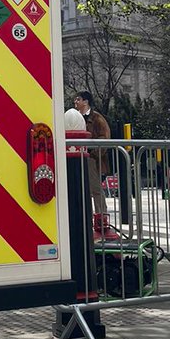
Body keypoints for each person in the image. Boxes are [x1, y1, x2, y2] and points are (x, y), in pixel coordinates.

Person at [74, 91, 118, 240]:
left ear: (86, 102)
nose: (75, 102)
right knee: (84, 190)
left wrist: (91, 153)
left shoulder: (97, 118)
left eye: (78, 99)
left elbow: (104, 138)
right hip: (79, 158)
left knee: (95, 190)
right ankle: (87, 220)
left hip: (92, 160)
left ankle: (101, 220)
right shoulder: (76, 117)